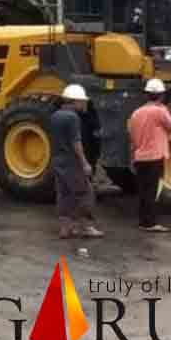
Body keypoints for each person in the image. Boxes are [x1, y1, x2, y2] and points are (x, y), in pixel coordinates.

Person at [51, 84, 104, 239]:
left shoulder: (55, 116)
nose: (84, 104)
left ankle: (65, 228)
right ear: (74, 101)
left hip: (58, 161)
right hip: (72, 162)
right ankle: (86, 227)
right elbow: (76, 142)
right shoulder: (73, 118)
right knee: (85, 193)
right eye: (82, 101)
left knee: (64, 194)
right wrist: (85, 163)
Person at [127, 78, 171, 233]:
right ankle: (150, 223)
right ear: (161, 95)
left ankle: (143, 221)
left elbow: (132, 136)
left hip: (140, 156)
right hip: (155, 157)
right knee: (153, 191)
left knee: (143, 191)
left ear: (147, 94)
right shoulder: (159, 111)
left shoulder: (136, 113)